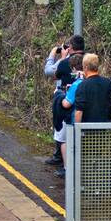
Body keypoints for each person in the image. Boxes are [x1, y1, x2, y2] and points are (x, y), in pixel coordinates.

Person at [44, 35, 84, 167]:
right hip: (85, 102)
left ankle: (64, 164)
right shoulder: (89, 60)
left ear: (71, 47)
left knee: (62, 134)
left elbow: (51, 74)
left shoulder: (66, 62)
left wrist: (59, 57)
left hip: (68, 100)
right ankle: (68, 162)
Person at [51, 53, 84, 177]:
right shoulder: (89, 80)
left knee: (64, 140)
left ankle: (67, 168)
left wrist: (59, 95)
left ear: (73, 68)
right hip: (91, 120)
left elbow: (66, 104)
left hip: (73, 118)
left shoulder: (76, 84)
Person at [70, 53, 111, 124]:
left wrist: (77, 129)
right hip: (104, 127)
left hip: (87, 129)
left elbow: (79, 111)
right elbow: (110, 107)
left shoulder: (82, 86)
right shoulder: (108, 83)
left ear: (86, 67)